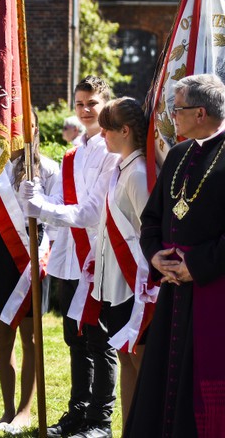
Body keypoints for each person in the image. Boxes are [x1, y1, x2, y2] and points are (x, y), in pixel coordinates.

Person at [125, 74, 225, 438]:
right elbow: (151, 218)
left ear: (200, 113)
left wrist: (194, 266)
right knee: (164, 382)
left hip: (214, 290)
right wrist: (155, 257)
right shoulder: (179, 154)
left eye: (177, 108)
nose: (171, 116)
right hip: (173, 290)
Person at [23, 76, 119, 438]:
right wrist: (37, 200)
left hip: (98, 256)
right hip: (69, 257)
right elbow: (64, 203)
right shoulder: (74, 151)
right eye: (79, 103)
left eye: (92, 103)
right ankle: (78, 412)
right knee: (74, 339)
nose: (85, 110)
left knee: (99, 339)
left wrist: (44, 207)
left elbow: (92, 212)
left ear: (105, 104)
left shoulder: (110, 151)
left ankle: (100, 420)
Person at [0, 113, 60, 434]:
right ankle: (7, 409)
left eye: (26, 125)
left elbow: (56, 217)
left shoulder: (48, 169)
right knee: (3, 335)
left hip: (33, 251)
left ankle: (25, 411)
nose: (19, 131)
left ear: (35, 129)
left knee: (31, 337)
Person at [92, 97, 153, 429]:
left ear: (125, 130)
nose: (102, 135)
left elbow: (150, 233)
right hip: (116, 284)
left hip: (134, 286)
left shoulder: (137, 173)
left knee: (139, 361)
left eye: (107, 129)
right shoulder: (122, 168)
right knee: (124, 358)